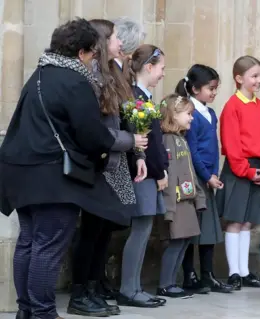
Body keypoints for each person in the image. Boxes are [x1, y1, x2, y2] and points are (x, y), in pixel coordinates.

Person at [0, 18, 129, 319]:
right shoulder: (74, 80)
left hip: (21, 172)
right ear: (84, 52)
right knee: (47, 245)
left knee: (29, 243)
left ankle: (26, 310)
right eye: (94, 54)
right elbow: (91, 134)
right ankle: (43, 312)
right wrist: (117, 144)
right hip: (53, 177)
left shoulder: (40, 74)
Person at [67, 19, 148, 317]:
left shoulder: (110, 73)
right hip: (98, 161)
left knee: (101, 231)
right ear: (102, 42)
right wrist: (129, 141)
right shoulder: (90, 75)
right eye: (114, 37)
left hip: (113, 158)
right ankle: (81, 292)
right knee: (90, 231)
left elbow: (118, 118)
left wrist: (135, 149)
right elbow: (95, 127)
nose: (120, 42)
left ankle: (93, 286)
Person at [216, 55, 260, 290]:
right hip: (239, 168)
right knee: (235, 221)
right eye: (254, 76)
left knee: (248, 222)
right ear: (239, 78)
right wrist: (247, 171)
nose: (259, 80)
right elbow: (231, 145)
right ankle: (234, 273)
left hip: (258, 169)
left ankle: (245, 271)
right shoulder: (232, 106)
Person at [116, 44, 168, 308]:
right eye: (161, 68)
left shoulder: (143, 97)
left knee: (145, 229)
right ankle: (128, 288)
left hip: (151, 174)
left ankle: (134, 286)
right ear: (149, 67)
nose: (162, 74)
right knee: (140, 230)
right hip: (142, 175)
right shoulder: (135, 98)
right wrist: (159, 171)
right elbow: (143, 144)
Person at [176, 64, 234, 294]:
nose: (213, 93)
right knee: (191, 227)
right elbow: (192, 150)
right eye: (210, 88)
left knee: (208, 228)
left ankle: (207, 274)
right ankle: (189, 274)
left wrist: (213, 175)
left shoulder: (209, 113)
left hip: (209, 178)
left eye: (215, 89)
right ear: (195, 88)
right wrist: (206, 175)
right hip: (196, 178)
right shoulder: (190, 114)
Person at [156, 94, 207, 298]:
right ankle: (165, 284)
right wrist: (169, 209)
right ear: (174, 115)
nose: (191, 118)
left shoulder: (181, 140)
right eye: (188, 114)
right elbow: (171, 176)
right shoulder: (168, 140)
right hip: (176, 204)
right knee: (175, 243)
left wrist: (199, 198)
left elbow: (191, 173)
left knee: (185, 242)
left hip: (187, 203)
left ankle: (172, 282)